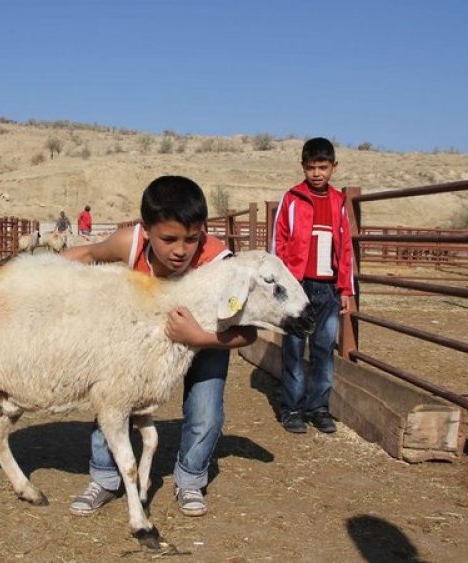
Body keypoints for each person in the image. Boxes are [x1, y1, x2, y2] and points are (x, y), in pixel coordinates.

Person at [61, 175, 256, 517]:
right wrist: (33, 275)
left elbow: (249, 332)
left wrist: (199, 337)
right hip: (141, 339)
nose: (181, 250)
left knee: (206, 410)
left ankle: (191, 479)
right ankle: (105, 477)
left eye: (192, 239)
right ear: (147, 229)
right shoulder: (130, 242)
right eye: (169, 239)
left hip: (204, 340)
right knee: (113, 398)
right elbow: (89, 254)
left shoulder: (219, 264)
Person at [272, 137, 354, 434]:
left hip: (328, 288)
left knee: (323, 349)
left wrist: (346, 288)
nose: (317, 173)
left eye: (323, 167)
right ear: (303, 167)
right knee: (293, 347)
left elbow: (345, 247)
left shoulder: (338, 202)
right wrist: (279, 285)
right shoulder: (292, 199)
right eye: (311, 168)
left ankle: (318, 407)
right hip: (297, 287)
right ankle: (291, 408)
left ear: (334, 167)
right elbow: (278, 242)